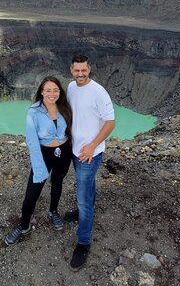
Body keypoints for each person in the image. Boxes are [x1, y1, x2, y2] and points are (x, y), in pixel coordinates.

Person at [4, 76, 73, 245]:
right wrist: (39, 165)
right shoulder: (33, 112)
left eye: (55, 90)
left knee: (57, 182)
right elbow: (32, 141)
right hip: (44, 153)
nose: (52, 93)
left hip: (64, 152)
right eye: (48, 90)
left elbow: (72, 130)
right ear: (41, 92)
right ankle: (24, 225)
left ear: (60, 92)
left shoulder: (64, 107)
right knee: (32, 193)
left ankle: (53, 211)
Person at [66, 54, 116, 271]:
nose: (80, 74)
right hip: (74, 150)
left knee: (84, 198)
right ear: (71, 70)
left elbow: (111, 122)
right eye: (77, 70)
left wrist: (92, 145)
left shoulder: (98, 91)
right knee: (85, 188)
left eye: (83, 70)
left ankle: (84, 243)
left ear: (89, 69)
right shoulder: (70, 87)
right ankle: (82, 212)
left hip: (89, 153)